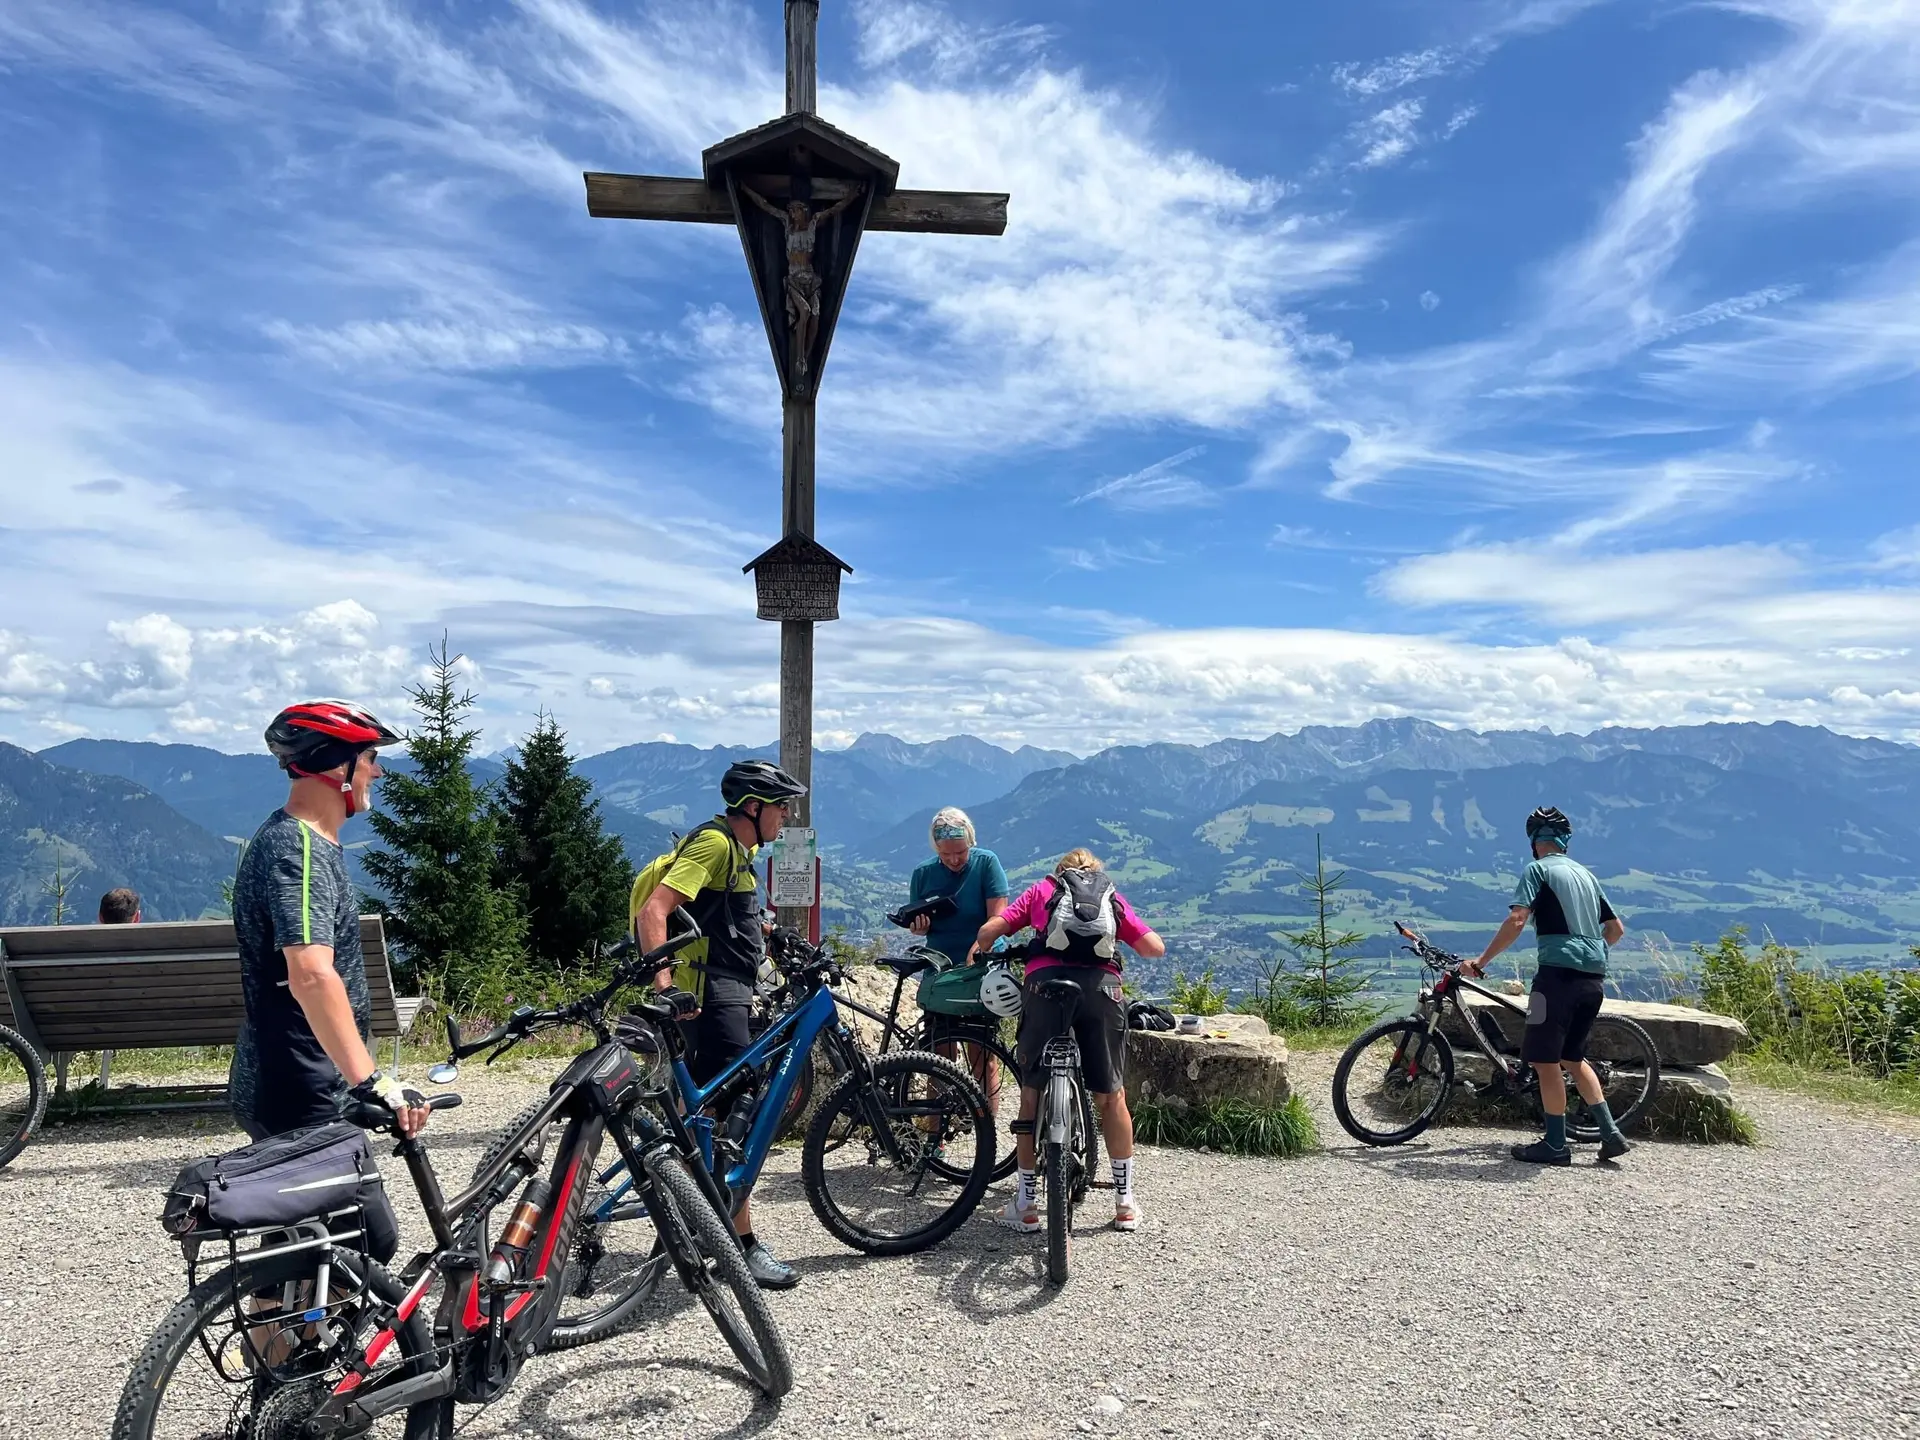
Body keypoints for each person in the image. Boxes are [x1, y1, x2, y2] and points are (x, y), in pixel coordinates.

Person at [634, 758, 809, 1289]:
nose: (786, 817)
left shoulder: (739, 852)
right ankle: (735, 1240)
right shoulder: (713, 845)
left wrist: (772, 937)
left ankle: (697, 1215)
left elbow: (726, 917)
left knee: (716, 1109)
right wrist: (666, 988)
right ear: (753, 808)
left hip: (725, 990)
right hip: (706, 995)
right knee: (740, 1106)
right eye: (781, 807)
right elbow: (655, 910)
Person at [229, 701, 430, 1162]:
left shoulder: (308, 841)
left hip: (306, 1080)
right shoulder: (298, 851)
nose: (377, 774)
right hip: (302, 1090)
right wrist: (371, 1080)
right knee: (359, 1233)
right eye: (371, 758)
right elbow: (311, 974)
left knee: (343, 1233)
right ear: (336, 766)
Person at [975, 847, 1165, 1233]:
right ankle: (1125, 1203)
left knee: (1031, 1095)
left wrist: (996, 942)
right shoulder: (1111, 895)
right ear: (1095, 873)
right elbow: (1152, 948)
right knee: (1112, 1097)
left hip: (1045, 987)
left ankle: (1026, 1204)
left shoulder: (1042, 890)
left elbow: (990, 931)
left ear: (1060, 873)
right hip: (1102, 991)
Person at [1465, 806, 1631, 1165]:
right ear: (1564, 842)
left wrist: (1481, 962)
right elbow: (1615, 930)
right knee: (1573, 1058)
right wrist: (1592, 952)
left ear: (1534, 841)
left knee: (1545, 1062)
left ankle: (1556, 1145)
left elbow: (1517, 919)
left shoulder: (1537, 870)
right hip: (1593, 980)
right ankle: (1611, 1133)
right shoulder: (1586, 875)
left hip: (1554, 980)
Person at [906, 807, 1009, 965]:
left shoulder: (986, 863)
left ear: (970, 843)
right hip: (940, 963)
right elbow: (918, 921)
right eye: (946, 854)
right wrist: (920, 928)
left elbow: (998, 918)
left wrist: (980, 947)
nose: (954, 860)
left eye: (961, 852)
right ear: (936, 849)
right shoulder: (923, 873)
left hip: (986, 956)